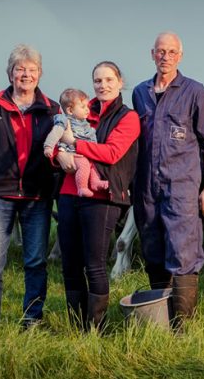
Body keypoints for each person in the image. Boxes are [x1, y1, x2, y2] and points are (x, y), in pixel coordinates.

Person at [0, 44, 59, 330]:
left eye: (31, 70)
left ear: (40, 74)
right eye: (20, 69)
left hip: (36, 195)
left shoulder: (52, 109)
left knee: (36, 262)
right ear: (10, 73)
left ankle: (32, 320)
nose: (25, 75)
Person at [131, 32, 204, 329]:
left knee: (183, 252)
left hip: (181, 186)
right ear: (152, 54)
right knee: (153, 250)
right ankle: (159, 319)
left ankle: (181, 326)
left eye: (171, 52)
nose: (165, 57)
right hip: (146, 187)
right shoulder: (140, 92)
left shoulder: (195, 92)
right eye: (160, 51)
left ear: (180, 56)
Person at [54, 61, 139, 331]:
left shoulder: (128, 118)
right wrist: (60, 154)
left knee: (94, 264)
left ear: (120, 82)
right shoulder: (78, 110)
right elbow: (56, 142)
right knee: (70, 264)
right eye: (98, 81)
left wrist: (74, 144)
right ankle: (76, 326)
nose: (102, 85)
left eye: (108, 80)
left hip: (103, 196)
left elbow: (113, 153)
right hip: (68, 193)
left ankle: (97, 328)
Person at [44, 89, 109, 197]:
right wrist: (48, 146)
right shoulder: (64, 120)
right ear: (70, 110)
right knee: (84, 165)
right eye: (83, 107)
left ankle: (94, 182)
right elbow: (55, 133)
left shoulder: (85, 123)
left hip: (84, 152)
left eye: (87, 106)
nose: (87, 110)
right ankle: (82, 187)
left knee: (92, 164)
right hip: (72, 152)